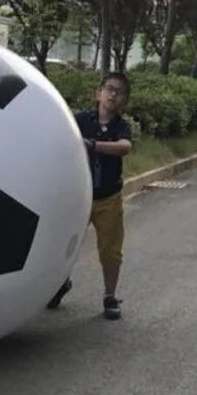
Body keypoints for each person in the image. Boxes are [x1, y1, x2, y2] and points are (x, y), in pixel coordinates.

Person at [47, 72, 134, 320]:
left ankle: (110, 296)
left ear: (124, 101)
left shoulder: (121, 126)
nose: (113, 95)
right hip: (78, 196)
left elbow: (125, 147)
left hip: (109, 198)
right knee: (63, 244)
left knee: (111, 250)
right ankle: (59, 283)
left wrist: (94, 145)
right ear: (98, 93)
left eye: (119, 92)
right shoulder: (80, 120)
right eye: (109, 89)